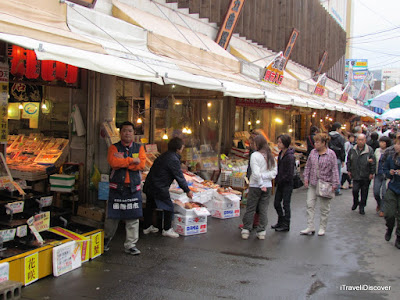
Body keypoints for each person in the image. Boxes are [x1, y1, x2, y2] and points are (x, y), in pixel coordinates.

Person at [104, 121, 146, 255]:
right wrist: (132, 161)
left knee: (133, 218)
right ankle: (106, 239)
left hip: (133, 188)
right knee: (112, 216)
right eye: (124, 131)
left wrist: (124, 162)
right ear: (120, 133)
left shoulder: (139, 147)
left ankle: (131, 245)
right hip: (117, 188)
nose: (127, 133)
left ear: (134, 133)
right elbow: (113, 163)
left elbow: (141, 165)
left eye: (130, 131)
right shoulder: (113, 148)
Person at [143, 137, 193, 238]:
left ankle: (147, 227)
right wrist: (187, 190)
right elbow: (179, 176)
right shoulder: (173, 159)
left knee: (150, 206)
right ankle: (167, 229)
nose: (182, 149)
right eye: (182, 147)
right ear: (178, 148)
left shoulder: (164, 155)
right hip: (159, 186)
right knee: (169, 206)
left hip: (150, 184)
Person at [301, 133, 339, 236]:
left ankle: (322, 227)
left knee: (324, 208)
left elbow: (334, 169)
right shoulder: (313, 153)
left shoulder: (331, 154)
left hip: (325, 184)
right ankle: (310, 226)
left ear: (324, 143)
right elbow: (308, 166)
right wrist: (306, 177)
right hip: (313, 183)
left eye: (317, 142)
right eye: (315, 142)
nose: (315, 144)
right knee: (309, 204)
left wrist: (335, 183)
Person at [241, 135, 277, 240]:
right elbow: (274, 172)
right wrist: (265, 178)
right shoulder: (270, 155)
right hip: (268, 185)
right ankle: (261, 231)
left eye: (254, 143)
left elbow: (256, 173)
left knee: (251, 207)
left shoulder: (255, 155)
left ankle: (246, 229)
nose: (252, 145)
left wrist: (261, 182)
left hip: (256, 186)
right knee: (263, 209)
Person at [347, 133, 376, 215]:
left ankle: (362, 206)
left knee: (364, 192)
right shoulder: (353, 149)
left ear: (365, 141)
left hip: (365, 174)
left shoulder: (369, 150)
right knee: (355, 190)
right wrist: (349, 170)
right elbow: (349, 160)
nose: (360, 141)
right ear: (356, 140)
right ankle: (356, 202)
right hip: (355, 174)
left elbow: (373, 162)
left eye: (362, 140)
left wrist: (371, 173)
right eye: (359, 140)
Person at [271, 134, 295, 232]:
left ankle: (286, 224)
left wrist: (281, 179)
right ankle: (280, 220)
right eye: (278, 142)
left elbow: (289, 172)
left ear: (285, 143)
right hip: (280, 182)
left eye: (280, 142)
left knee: (286, 204)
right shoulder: (281, 154)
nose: (278, 144)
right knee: (276, 203)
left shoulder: (290, 156)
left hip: (287, 183)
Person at [382, 137, 400, 249]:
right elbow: (385, 170)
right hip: (393, 188)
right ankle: (389, 227)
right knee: (389, 213)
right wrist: (389, 172)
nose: (395, 146)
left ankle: (398, 237)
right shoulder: (391, 157)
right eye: (396, 144)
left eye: (398, 144)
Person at [374, 136, 391, 217]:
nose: (382, 144)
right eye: (381, 142)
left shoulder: (390, 151)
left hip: (386, 175)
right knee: (376, 192)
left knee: (384, 193)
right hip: (378, 174)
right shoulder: (377, 151)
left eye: (384, 142)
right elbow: (374, 160)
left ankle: (383, 209)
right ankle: (379, 203)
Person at [328, 122, 345, 196]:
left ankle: (329, 188)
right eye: (340, 128)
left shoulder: (328, 136)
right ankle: (337, 190)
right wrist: (343, 159)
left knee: (329, 173)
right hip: (337, 158)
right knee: (337, 174)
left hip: (328, 157)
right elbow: (342, 149)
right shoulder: (340, 137)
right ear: (337, 129)